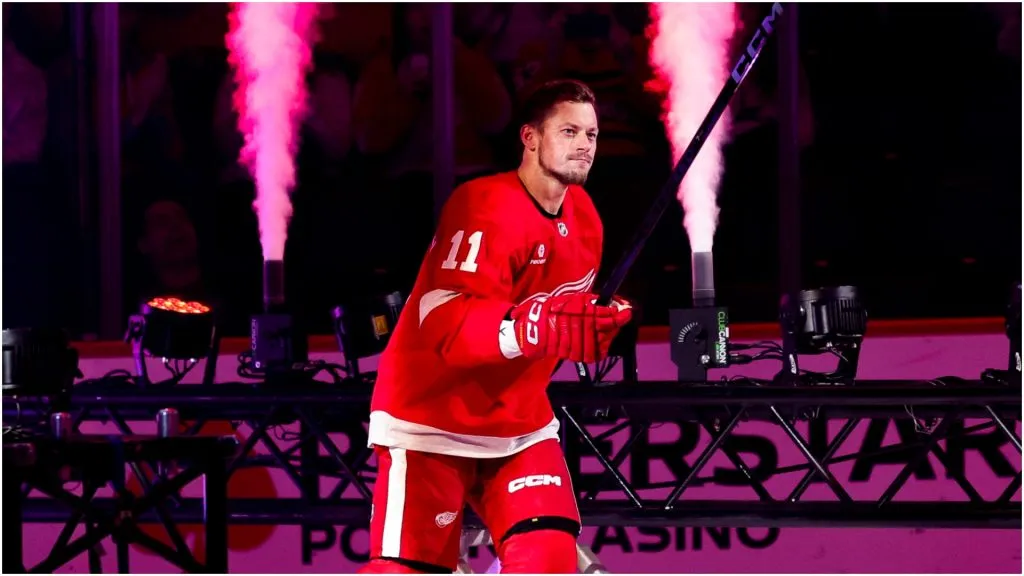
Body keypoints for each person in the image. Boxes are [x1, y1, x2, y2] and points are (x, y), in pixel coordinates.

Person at [361, 79, 632, 574]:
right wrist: (532, 327)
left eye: (591, 134)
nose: (584, 145)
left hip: (518, 421)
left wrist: (595, 322)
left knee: (550, 559)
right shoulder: (482, 202)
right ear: (530, 138)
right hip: (429, 417)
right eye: (569, 131)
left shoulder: (587, 218)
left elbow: (559, 322)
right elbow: (442, 318)